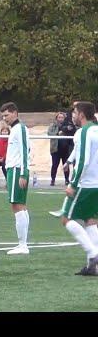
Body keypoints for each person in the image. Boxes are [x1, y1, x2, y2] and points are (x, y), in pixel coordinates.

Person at [49, 101, 98, 276]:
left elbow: (83, 160)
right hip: (96, 185)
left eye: (75, 112)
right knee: (90, 220)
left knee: (66, 218)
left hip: (85, 184)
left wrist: (73, 184)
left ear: (82, 114)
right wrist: (69, 161)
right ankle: (93, 267)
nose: (73, 115)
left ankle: (93, 254)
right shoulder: (96, 129)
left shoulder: (85, 132)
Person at [0, 102, 31, 255]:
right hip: (13, 170)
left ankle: (22, 245)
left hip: (18, 169)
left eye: (6, 115)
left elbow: (25, 152)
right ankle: (23, 244)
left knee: (17, 205)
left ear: (15, 113)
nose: (5, 118)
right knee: (19, 205)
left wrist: (23, 173)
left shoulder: (20, 129)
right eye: (3, 116)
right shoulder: (15, 130)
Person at [48, 111, 72, 186]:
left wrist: (68, 129)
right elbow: (49, 133)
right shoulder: (53, 125)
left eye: (62, 117)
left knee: (66, 165)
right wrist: (58, 133)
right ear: (56, 118)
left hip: (65, 149)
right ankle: (53, 180)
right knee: (55, 165)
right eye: (59, 117)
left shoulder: (67, 126)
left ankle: (67, 180)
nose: (61, 119)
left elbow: (72, 133)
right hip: (56, 149)